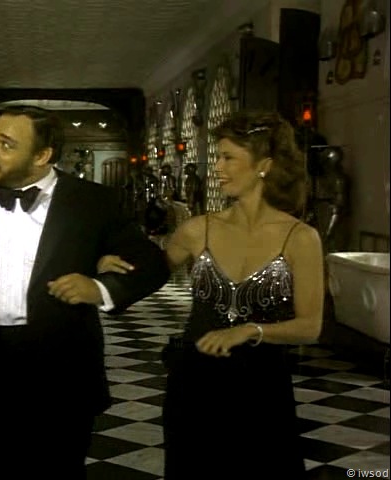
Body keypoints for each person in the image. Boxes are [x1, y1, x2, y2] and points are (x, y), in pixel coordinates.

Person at [0, 106, 170, 480]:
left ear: (42, 156)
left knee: (62, 473)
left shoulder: (91, 202)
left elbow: (152, 263)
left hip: (64, 370)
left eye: (6, 144)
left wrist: (100, 288)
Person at [102, 110, 323, 479]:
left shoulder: (300, 238)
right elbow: (147, 275)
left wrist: (249, 330)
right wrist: (109, 267)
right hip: (194, 383)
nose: (217, 167)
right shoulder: (196, 230)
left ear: (264, 165)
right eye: (217, 157)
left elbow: (310, 326)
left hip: (262, 388)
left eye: (228, 157)